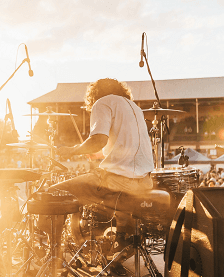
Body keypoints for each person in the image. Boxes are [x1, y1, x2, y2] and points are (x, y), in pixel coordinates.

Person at [51, 78, 153, 275]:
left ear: (94, 95)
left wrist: (71, 151)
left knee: (55, 194)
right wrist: (97, 152)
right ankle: (117, 253)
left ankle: (55, 257)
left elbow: (98, 140)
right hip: (144, 182)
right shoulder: (134, 108)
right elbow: (122, 148)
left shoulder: (103, 102)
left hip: (119, 181)